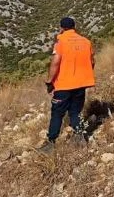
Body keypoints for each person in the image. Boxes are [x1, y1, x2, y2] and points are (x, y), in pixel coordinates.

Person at [39, 17, 95, 153]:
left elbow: (56, 62)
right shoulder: (86, 41)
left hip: (64, 85)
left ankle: (51, 143)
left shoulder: (61, 41)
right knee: (75, 111)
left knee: (57, 113)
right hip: (81, 84)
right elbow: (92, 61)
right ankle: (79, 136)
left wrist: (50, 81)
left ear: (62, 28)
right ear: (74, 27)